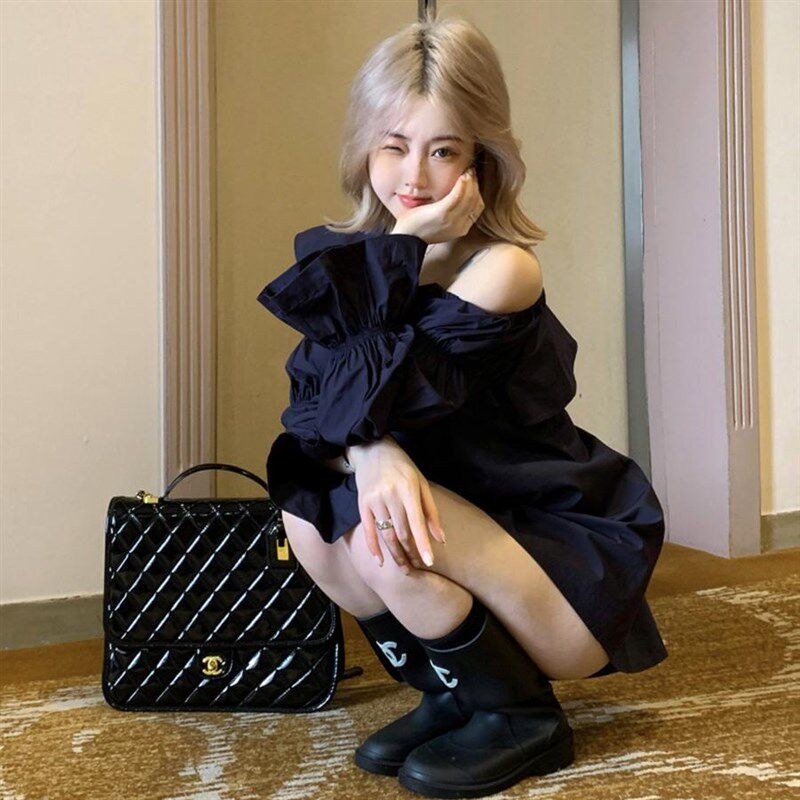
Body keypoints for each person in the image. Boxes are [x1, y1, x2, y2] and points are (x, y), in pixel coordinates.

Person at [257, 11, 668, 799]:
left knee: (381, 520)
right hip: (456, 533)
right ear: (364, 147)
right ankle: (455, 693)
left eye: (443, 150)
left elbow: (385, 393)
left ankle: (522, 716)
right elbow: (311, 411)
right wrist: (373, 449)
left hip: (552, 558)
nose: (415, 175)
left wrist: (404, 248)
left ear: (482, 158)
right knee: (309, 514)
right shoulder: (349, 266)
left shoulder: (502, 271)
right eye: (395, 145)